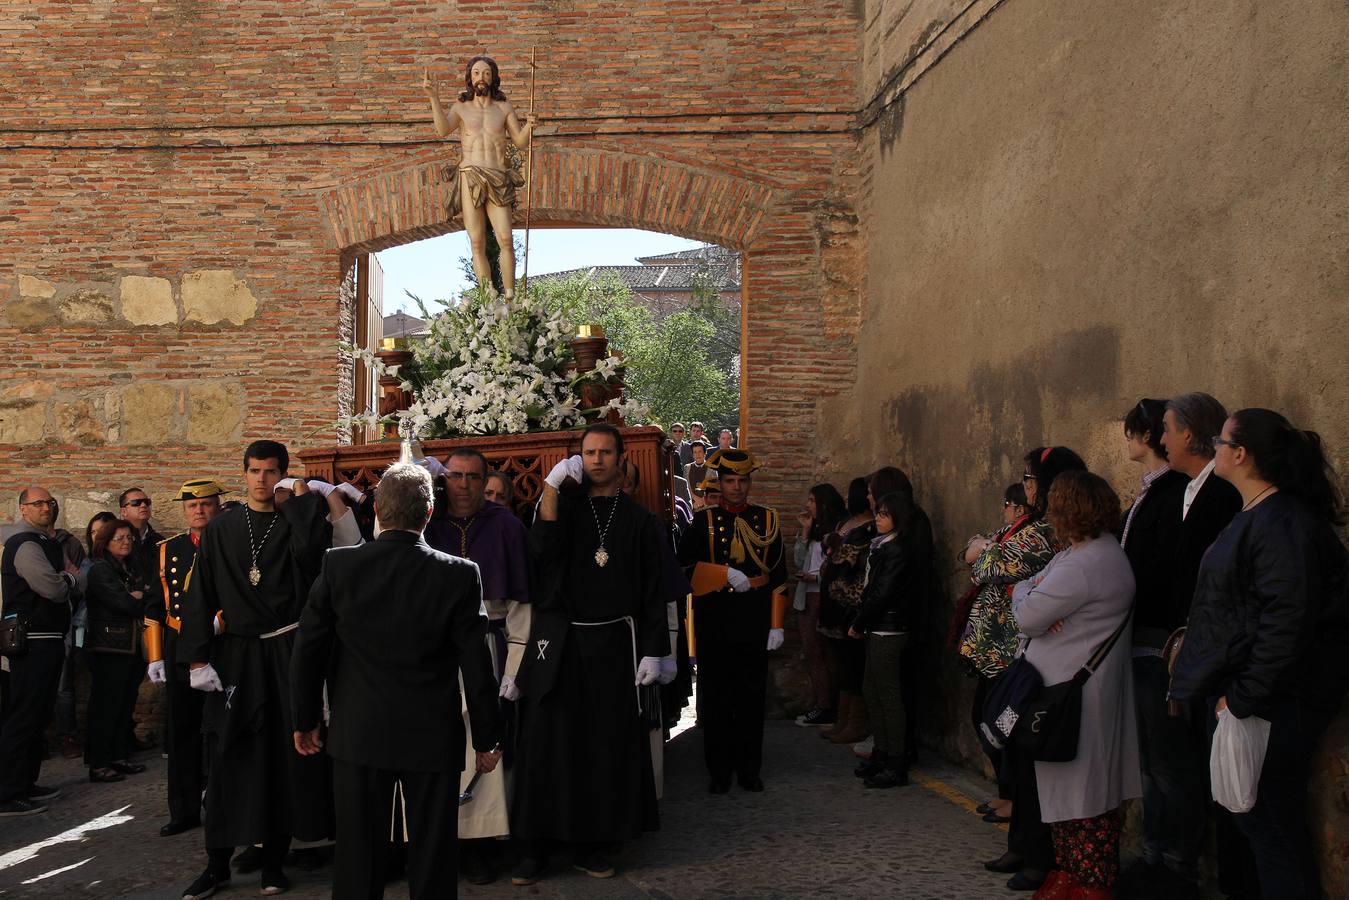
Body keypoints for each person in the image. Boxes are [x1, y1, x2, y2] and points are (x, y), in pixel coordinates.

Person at [289, 463, 503, 899]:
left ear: (376, 514)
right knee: (433, 853)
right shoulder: (460, 573)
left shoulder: (338, 566)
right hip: (430, 734)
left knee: (356, 855)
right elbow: (476, 666)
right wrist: (487, 738)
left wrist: (306, 718)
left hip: (358, 733)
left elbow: (307, 652)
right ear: (428, 514)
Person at [1170, 409, 1349, 900]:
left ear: (1241, 454)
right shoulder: (1260, 515)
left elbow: (1286, 620)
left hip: (1272, 705)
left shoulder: (1283, 521)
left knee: (1270, 830)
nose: (1216, 449)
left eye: (1220, 441)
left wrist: (1244, 697)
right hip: (1252, 699)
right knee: (1254, 827)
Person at [178, 440, 334, 900]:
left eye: (271, 471)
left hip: (285, 651)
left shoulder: (295, 522)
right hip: (237, 657)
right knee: (229, 757)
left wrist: (302, 498)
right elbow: (200, 595)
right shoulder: (222, 528)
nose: (262, 479)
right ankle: (216, 864)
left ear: (282, 474)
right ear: (243, 474)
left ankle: (273, 862)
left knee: (283, 758)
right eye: (254, 471)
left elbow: (314, 560)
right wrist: (197, 656)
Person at [511, 424, 667, 883]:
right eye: (589, 452)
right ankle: (534, 848)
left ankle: (594, 844)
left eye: (606, 452)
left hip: (615, 646)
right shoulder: (568, 506)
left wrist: (655, 651)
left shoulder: (641, 522)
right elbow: (542, 552)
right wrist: (552, 486)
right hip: (559, 642)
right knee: (547, 744)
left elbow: (654, 592)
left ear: (621, 459)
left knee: (602, 747)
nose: (597, 459)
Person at [1011, 471, 1141, 899]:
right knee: (1068, 797)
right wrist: (1031, 592)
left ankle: (1089, 885)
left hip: (1077, 697)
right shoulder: (1083, 553)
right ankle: (1071, 875)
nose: (1047, 512)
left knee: (1084, 800)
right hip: (1068, 693)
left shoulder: (1089, 562)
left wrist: (1032, 596)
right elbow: (1027, 593)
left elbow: (1027, 615)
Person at [973, 446, 1086, 891]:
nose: (1026, 488)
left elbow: (1001, 574)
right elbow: (983, 566)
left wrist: (990, 558)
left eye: (1032, 480)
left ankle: (1039, 853)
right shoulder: (1039, 530)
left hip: (1043, 661)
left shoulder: (1047, 535)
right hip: (1019, 653)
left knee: (1026, 753)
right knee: (1008, 744)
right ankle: (1022, 842)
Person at [423, 448, 532, 884]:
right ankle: (437, 838)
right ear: (443, 479)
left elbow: (523, 605)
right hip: (436, 651)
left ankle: (480, 844)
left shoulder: (506, 526)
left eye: (472, 477)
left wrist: (514, 669)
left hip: (490, 648)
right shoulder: (425, 523)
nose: (464, 485)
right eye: (455, 476)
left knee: (484, 744)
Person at [1156, 391, 1248, 898]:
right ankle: (1175, 866)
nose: (1161, 438)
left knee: (1221, 786)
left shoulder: (1223, 496)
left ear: (1190, 434)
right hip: (1190, 655)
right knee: (1182, 767)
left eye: (1167, 428)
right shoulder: (1187, 490)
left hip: (1217, 663)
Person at [1108, 399, 1196, 899]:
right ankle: (1156, 855)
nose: (1131, 440)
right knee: (1151, 763)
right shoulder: (1154, 494)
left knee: (1167, 761)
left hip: (1160, 642)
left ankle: (1176, 864)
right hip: (1141, 640)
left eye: (1136, 431)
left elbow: (1158, 568)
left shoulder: (1173, 494)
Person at [679, 448, 789, 793]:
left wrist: (776, 623)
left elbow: (780, 576)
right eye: (730, 481)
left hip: (753, 615)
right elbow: (683, 570)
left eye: (743, 481)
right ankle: (718, 770)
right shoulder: (702, 521)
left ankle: (749, 769)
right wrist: (722, 573)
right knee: (715, 697)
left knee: (751, 696)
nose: (737, 487)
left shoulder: (768, 520)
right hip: (715, 617)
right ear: (720, 482)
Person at [142, 478, 226, 836]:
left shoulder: (230, 542)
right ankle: (184, 809)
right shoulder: (167, 549)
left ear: (217, 506)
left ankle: (225, 805)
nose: (199, 510)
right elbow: (154, 607)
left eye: (205, 504)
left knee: (223, 732)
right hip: (179, 648)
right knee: (181, 733)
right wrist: (155, 655)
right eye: (192, 506)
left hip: (223, 645)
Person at [423, 56, 537, 299]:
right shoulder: (461, 107)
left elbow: (519, 142)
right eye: (476, 73)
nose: (481, 78)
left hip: (497, 176)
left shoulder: (504, 108)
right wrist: (433, 97)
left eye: (486, 73)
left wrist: (529, 126)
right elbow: (443, 129)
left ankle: (510, 297)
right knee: (477, 242)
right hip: (470, 174)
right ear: (470, 78)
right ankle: (488, 300)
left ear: (493, 77)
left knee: (505, 238)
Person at [951, 483, 1033, 820]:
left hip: (1008, 643)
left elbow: (985, 565)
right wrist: (985, 549)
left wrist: (985, 550)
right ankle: (1006, 792)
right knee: (983, 716)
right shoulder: (1007, 534)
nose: (1004, 511)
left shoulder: (1029, 538)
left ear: (1018, 508)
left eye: (1007, 505)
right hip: (989, 645)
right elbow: (968, 558)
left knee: (1001, 720)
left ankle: (1015, 798)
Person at [0, 487, 79, 816]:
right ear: (23, 510)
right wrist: (71, 580)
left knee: (37, 715)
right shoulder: (25, 544)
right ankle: (7, 793)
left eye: (49, 502)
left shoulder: (48, 543)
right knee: (23, 716)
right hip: (31, 642)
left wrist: (69, 578)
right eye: (38, 503)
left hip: (48, 639)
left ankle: (26, 782)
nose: (46, 508)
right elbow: (54, 588)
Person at [850, 489, 933, 788]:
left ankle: (895, 761)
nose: (878, 518)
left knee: (887, 694)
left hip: (889, 627)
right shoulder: (884, 546)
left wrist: (859, 622)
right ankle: (882, 753)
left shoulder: (897, 549)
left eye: (884, 514)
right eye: (878, 513)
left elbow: (883, 592)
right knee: (872, 690)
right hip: (879, 626)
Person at [83, 518, 151, 785]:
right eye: (119, 538)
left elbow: (145, 595)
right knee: (106, 706)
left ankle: (119, 755)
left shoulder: (128, 567)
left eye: (129, 538)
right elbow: (124, 603)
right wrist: (137, 596)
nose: (126, 542)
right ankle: (99, 763)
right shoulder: (100, 570)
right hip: (109, 646)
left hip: (131, 646)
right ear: (106, 542)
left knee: (124, 704)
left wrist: (139, 595)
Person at [816, 477, 874, 747]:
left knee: (852, 666)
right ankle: (843, 719)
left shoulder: (868, 527)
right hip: (833, 606)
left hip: (850, 606)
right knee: (839, 664)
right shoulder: (847, 523)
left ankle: (856, 722)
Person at [794, 483, 846, 727]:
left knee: (827, 653)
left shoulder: (838, 530)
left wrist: (816, 578)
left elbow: (840, 569)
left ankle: (829, 706)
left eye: (812, 500)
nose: (808, 505)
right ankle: (823, 704)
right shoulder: (812, 530)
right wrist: (804, 534)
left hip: (825, 597)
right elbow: (798, 561)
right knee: (814, 652)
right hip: (807, 596)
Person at [120, 486, 163, 588]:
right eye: (136, 503)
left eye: (147, 502)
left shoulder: (160, 541)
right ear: (123, 511)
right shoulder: (114, 540)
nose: (143, 505)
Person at [685, 442, 712, 509]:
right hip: (692, 504)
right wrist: (695, 499)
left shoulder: (712, 468)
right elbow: (686, 486)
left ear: (705, 453)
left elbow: (713, 488)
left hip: (708, 504)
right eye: (695, 452)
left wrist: (703, 500)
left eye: (700, 451)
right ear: (692, 454)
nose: (698, 454)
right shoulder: (687, 467)